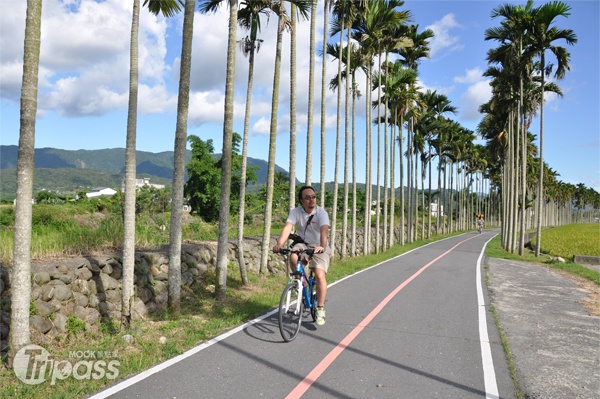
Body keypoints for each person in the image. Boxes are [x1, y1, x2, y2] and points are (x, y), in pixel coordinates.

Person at [273, 186, 332, 326]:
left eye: (313, 196)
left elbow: (324, 231)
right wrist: (279, 244)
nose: (312, 200)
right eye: (308, 197)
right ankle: (300, 283)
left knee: (319, 275)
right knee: (293, 256)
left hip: (319, 245)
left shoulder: (321, 213)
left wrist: (322, 246)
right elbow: (288, 227)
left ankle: (320, 308)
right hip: (303, 244)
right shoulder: (296, 212)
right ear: (301, 200)